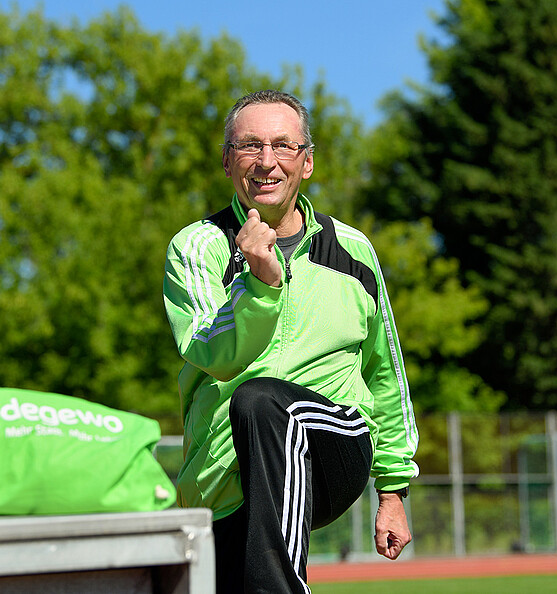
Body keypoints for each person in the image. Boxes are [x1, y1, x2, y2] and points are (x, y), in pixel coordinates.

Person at [163, 90, 419, 593]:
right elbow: (211, 354)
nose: (266, 162)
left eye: (283, 146)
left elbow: (385, 372)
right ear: (226, 160)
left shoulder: (352, 250)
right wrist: (260, 284)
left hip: (332, 448)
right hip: (229, 478)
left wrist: (392, 490)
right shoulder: (197, 248)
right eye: (249, 146)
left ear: (307, 162)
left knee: (262, 401)